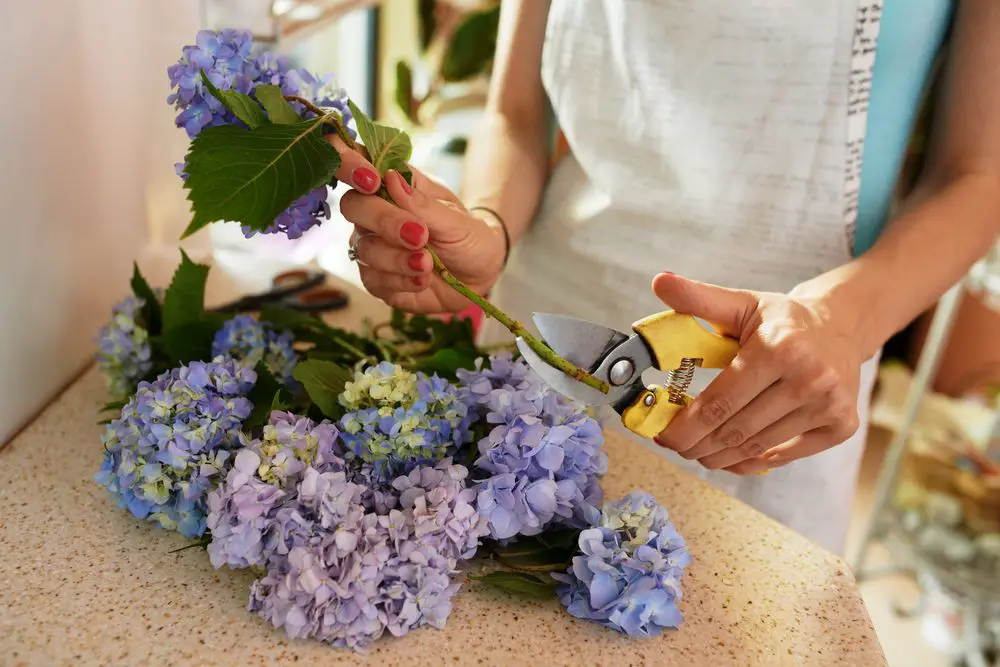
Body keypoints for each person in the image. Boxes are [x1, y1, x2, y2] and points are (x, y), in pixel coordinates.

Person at [325, 0, 1000, 556]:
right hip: (546, 344)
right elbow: (517, 112)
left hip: (780, 383)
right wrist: (488, 231)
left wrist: (836, 321)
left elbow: (977, 175)